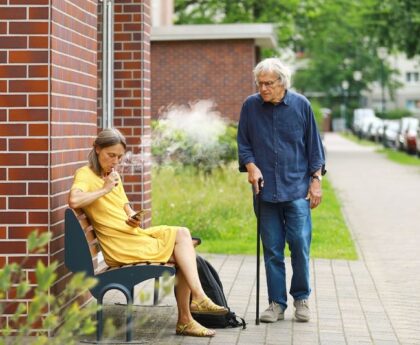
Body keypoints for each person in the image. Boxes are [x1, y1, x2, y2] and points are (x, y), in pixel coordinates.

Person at [68, 128, 228, 337]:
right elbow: (74, 200)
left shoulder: (113, 175)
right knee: (183, 255)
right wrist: (104, 189)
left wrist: (133, 216)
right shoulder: (85, 174)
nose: (115, 161)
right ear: (97, 149)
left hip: (131, 235)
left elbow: (125, 206)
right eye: (111, 155)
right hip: (120, 246)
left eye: (119, 156)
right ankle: (188, 316)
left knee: (182, 233)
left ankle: (196, 302)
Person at [237, 58, 325, 323]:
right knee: (272, 250)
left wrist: (316, 179)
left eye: (268, 83)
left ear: (282, 83)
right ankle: (276, 303)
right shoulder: (250, 106)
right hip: (265, 192)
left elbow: (314, 147)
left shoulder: (301, 106)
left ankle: (301, 299)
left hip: (296, 189)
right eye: (259, 83)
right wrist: (250, 166)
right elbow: (244, 144)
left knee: (299, 245)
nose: (263, 88)